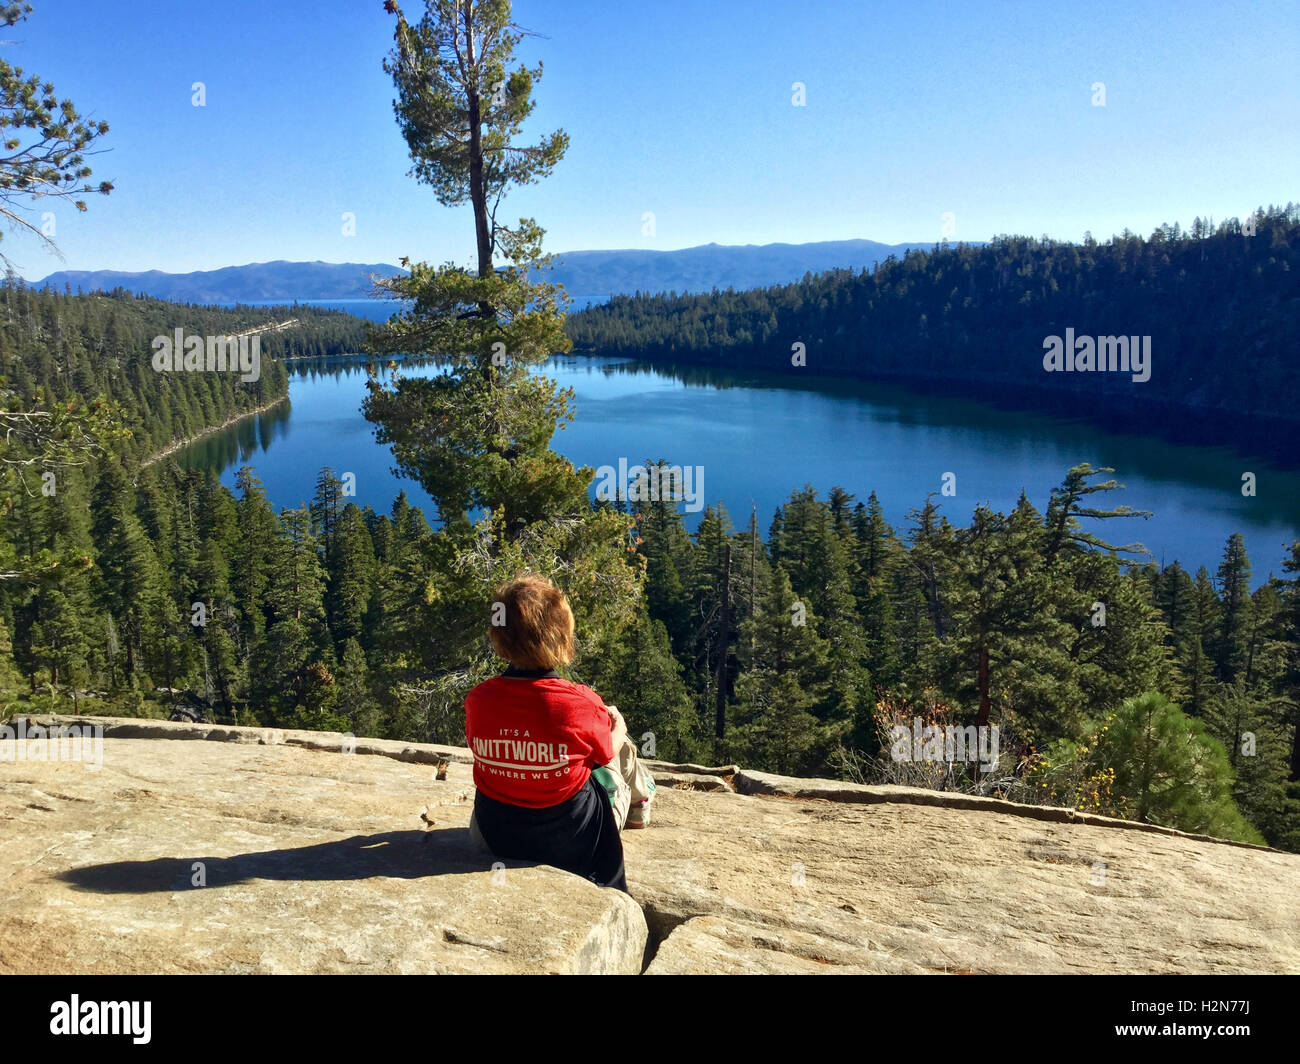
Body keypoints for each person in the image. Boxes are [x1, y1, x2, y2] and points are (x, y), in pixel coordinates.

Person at [464, 575, 656, 894]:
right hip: (570, 844)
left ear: (500, 637)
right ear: (559, 635)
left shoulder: (478, 700)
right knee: (622, 747)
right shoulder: (578, 703)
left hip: (493, 837)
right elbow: (606, 753)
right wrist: (619, 727)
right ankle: (640, 805)